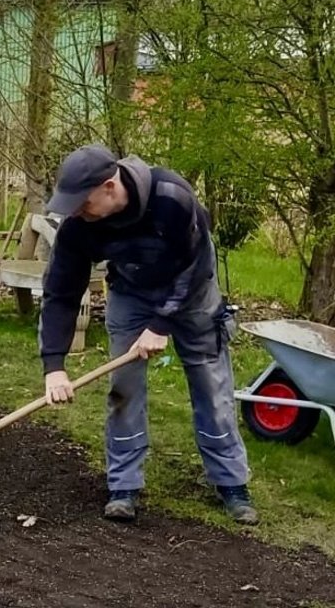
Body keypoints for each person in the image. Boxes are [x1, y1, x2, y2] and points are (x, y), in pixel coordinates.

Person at [39, 144, 257, 524]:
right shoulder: (79, 226)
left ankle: (231, 483)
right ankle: (123, 485)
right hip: (132, 293)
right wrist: (54, 365)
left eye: (82, 202)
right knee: (123, 387)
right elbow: (61, 291)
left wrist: (160, 325)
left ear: (109, 186)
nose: (76, 211)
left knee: (210, 383)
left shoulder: (171, 196)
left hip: (193, 294)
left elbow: (197, 264)